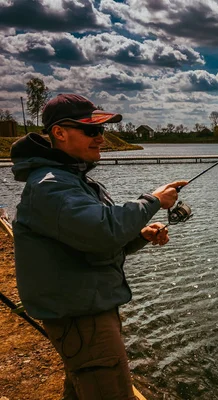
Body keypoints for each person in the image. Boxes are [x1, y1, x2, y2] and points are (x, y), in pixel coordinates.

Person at [10, 93, 187, 399]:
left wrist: (139, 235)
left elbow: (95, 243)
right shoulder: (51, 186)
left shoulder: (72, 180)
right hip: (82, 318)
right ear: (59, 133)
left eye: (102, 131)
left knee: (80, 392)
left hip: (84, 311)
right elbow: (103, 231)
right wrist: (154, 200)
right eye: (91, 131)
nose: (101, 139)